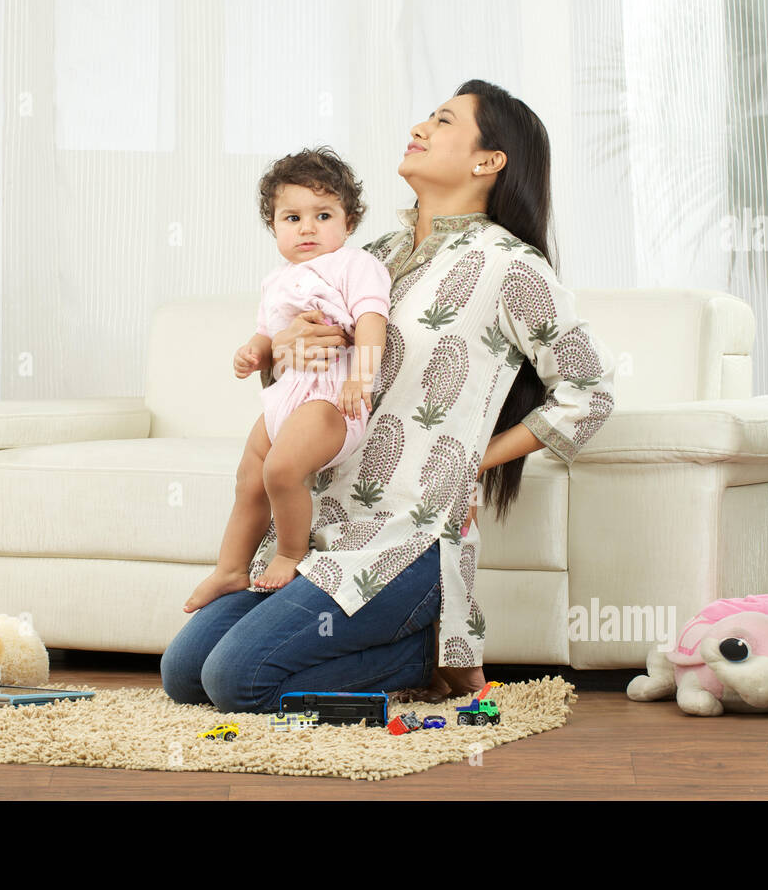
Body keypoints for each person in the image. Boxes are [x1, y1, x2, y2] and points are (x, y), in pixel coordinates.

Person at [162, 79, 617, 712]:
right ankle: (397, 648)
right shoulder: (358, 254)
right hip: (323, 527)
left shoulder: (510, 265)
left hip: (404, 541)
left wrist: (472, 460)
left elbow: (589, 391)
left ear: (489, 161)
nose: (421, 127)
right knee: (184, 675)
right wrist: (288, 345)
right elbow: (299, 387)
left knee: (239, 681)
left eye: (444, 121)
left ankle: (418, 652)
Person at [183, 147, 392, 612]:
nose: (308, 228)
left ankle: (292, 553)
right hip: (284, 399)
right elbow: (268, 334)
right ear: (274, 226)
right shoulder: (276, 279)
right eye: (292, 218)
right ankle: (230, 569)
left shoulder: (354, 265)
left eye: (323, 214)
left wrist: (362, 377)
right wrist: (252, 353)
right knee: (249, 478)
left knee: (281, 470)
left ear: (349, 221)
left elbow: (372, 320)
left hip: (330, 401)